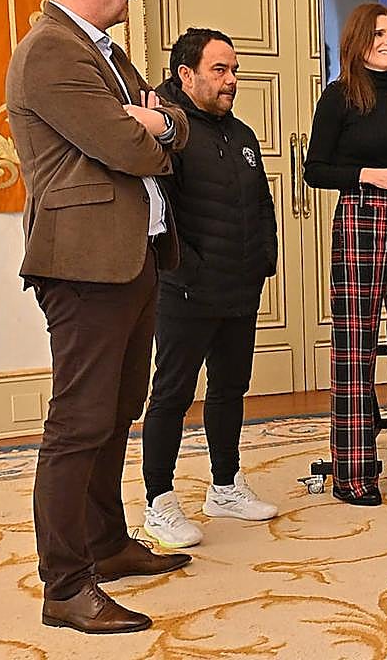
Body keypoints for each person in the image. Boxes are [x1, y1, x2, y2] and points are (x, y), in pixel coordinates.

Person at [4, 0, 191, 634]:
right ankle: (64, 585)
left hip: (132, 256)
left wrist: (157, 121)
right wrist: (145, 127)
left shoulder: (103, 52)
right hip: (83, 263)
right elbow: (129, 147)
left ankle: (106, 544)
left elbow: (171, 122)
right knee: (78, 423)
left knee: (117, 410)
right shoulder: (52, 51)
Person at [140, 28, 279, 548]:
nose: (231, 80)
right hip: (186, 290)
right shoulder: (166, 131)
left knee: (230, 388)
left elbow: (261, 203)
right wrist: (189, 270)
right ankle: (159, 502)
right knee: (172, 395)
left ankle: (225, 486)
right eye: (219, 70)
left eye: (234, 70)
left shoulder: (241, 134)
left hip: (240, 286)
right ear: (186, 74)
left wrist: (264, 259)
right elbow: (159, 211)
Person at [303, 2, 387, 507]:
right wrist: (368, 175)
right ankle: (353, 472)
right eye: (380, 34)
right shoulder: (338, 97)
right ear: (358, 40)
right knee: (355, 347)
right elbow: (314, 170)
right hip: (360, 218)